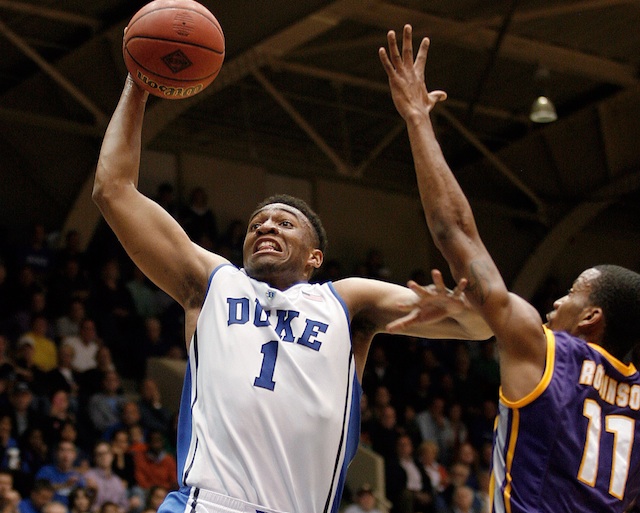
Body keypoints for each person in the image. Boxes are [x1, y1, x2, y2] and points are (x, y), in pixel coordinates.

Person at [92, 71, 491, 513]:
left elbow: (476, 327)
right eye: (255, 223)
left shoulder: (347, 301)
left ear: (314, 258)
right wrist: (138, 82)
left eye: (284, 223)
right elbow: (114, 190)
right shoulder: (212, 282)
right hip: (209, 505)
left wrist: (417, 121)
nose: (265, 225)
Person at [380, 24, 640, 512]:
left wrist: (416, 118)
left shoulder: (546, 353)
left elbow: (455, 232)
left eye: (572, 294)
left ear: (591, 318)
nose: (557, 301)